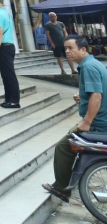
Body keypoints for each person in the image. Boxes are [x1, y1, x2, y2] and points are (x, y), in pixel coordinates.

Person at [43, 34, 107, 202]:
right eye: (65, 49)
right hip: (100, 119)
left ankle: (62, 189)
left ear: (83, 49)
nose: (67, 52)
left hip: (98, 123)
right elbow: (95, 94)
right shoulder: (93, 64)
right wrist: (82, 98)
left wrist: (86, 122)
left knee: (63, 147)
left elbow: (97, 97)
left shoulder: (89, 67)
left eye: (70, 48)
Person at [0, 0, 21, 108]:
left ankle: (14, 101)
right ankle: (9, 99)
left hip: (5, 47)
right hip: (8, 46)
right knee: (6, 75)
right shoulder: (4, 13)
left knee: (9, 74)